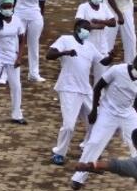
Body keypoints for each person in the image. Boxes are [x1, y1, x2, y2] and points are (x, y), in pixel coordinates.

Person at [69, 54, 137, 190]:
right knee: (95, 142)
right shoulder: (117, 70)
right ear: (133, 62)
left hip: (127, 112)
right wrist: (94, 110)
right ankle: (78, 177)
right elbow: (98, 87)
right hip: (108, 111)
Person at [47, 19, 111, 166]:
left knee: (98, 120)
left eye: (89, 29)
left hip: (85, 89)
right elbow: (49, 55)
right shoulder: (65, 40)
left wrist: (111, 56)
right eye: (84, 28)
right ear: (76, 28)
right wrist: (65, 52)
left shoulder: (90, 46)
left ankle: (87, 147)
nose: (87, 31)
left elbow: (103, 62)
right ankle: (59, 153)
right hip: (68, 88)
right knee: (69, 125)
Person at [12, 0, 47, 83]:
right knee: (15, 43)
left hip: (35, 17)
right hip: (19, 16)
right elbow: (13, 0)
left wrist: (39, 17)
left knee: (33, 45)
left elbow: (42, 4)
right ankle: (9, 72)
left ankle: (34, 73)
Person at [75, 0, 119, 82]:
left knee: (101, 75)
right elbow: (78, 23)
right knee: (83, 73)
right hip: (86, 43)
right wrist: (98, 26)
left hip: (101, 45)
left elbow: (113, 22)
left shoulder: (104, 7)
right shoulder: (83, 7)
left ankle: (98, 96)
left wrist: (99, 21)